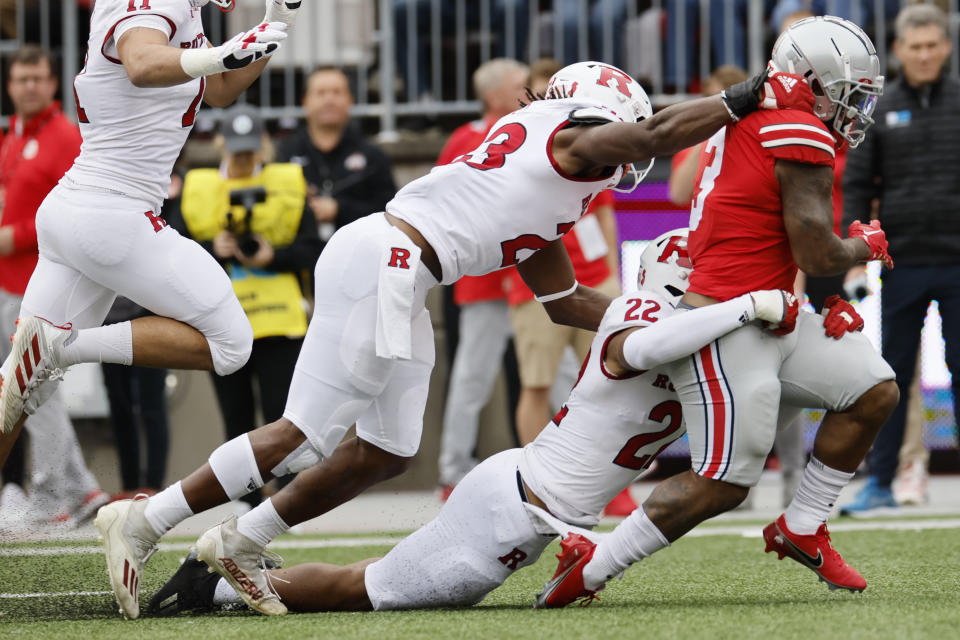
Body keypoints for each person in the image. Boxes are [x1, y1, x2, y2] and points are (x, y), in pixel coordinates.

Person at [95, 59, 816, 620]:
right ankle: (145, 520)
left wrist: (664, 316)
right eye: (617, 139)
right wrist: (748, 95)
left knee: (385, 449)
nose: (620, 166)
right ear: (591, 113)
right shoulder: (572, 139)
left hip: (406, 273)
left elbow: (566, 302)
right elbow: (656, 135)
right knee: (307, 433)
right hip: (391, 258)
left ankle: (241, 543)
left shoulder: (550, 177)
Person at [146, 229, 809, 616]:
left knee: (369, 579)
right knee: (363, 587)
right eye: (709, 281)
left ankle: (223, 578)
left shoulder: (708, 338)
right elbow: (642, 349)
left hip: (531, 504)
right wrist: (749, 303)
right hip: (520, 503)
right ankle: (218, 589)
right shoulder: (637, 316)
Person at [536, 17, 900, 607]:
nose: (854, 106)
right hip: (731, 323)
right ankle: (591, 568)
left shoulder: (748, 118)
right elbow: (817, 250)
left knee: (873, 390)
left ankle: (801, 527)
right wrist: (869, 243)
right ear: (812, 80)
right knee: (724, 482)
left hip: (773, 310)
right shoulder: (796, 129)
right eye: (849, 91)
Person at [0, 0, 299, 615]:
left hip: (80, 212)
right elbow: (141, 64)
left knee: (15, 391)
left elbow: (215, 90)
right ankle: (63, 346)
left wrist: (268, 36)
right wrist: (222, 50)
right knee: (230, 346)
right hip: (114, 213)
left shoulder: (181, 13)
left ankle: (49, 349)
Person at [840, 3, 960, 513]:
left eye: (933, 44)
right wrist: (851, 256)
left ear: (947, 47)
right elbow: (857, 185)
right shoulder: (879, 109)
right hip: (901, 263)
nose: (926, 54)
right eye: (916, 47)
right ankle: (881, 483)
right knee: (891, 376)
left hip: (958, 263)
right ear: (899, 52)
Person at [178, 103, 321, 508]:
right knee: (236, 416)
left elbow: (312, 249)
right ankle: (248, 502)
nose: (242, 157)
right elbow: (175, 251)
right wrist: (213, 249)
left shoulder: (289, 185)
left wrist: (271, 256)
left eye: (249, 149)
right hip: (222, 322)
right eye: (235, 148)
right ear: (220, 143)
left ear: (264, 145)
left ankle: (291, 500)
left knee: (285, 416)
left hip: (279, 321)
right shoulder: (196, 188)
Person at [0, 44, 111, 529]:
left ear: (52, 83)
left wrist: (15, 235)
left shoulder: (65, 137)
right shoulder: (16, 136)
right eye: (20, 78)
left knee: (30, 390)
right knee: (34, 389)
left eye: (36, 78)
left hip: (38, 284)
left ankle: (51, 495)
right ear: (10, 85)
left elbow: (77, 212)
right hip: (10, 283)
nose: (28, 87)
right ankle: (82, 489)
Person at [436, 58, 529, 497]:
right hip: (486, 281)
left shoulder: (533, 129)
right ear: (494, 95)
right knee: (473, 378)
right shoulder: (466, 138)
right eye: (521, 85)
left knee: (560, 375)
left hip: (528, 281)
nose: (530, 91)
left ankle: (579, 460)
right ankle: (454, 471)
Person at [276, 66, 397, 246]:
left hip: (358, 254)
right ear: (305, 102)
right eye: (321, 92)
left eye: (337, 92)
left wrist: (339, 209)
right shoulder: (286, 152)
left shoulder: (372, 156)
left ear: (350, 100)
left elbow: (390, 213)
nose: (329, 99)